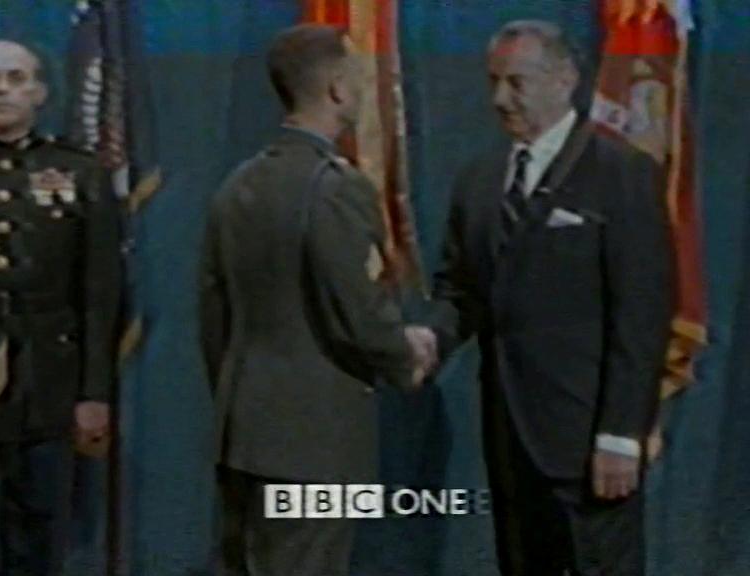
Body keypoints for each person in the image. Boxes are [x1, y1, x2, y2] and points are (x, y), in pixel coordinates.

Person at [409, 20, 673, 576]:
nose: (500, 99)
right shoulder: (479, 181)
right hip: (510, 440)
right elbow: (462, 289)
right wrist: (431, 336)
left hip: (589, 442)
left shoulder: (621, 174)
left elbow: (641, 314)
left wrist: (622, 434)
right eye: (493, 82)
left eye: (516, 82)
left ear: (565, 79)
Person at [198, 24, 434, 576]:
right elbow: (360, 314)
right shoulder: (337, 188)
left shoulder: (237, 185)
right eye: (356, 76)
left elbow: (213, 317)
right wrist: (405, 354)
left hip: (243, 435)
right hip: (316, 443)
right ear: (336, 89)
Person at [0, 40, 121, 575]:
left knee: (41, 540)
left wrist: (94, 393)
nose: (2, 89)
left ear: (39, 92)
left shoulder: (79, 173)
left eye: (16, 78)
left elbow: (100, 294)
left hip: (50, 387)